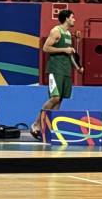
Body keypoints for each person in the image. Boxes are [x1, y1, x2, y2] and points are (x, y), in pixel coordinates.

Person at [30, 10, 83, 140]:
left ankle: (50, 128)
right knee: (55, 98)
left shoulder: (68, 34)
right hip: (55, 69)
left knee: (60, 100)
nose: (74, 20)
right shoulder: (56, 31)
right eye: (72, 17)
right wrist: (64, 49)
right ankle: (36, 124)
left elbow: (69, 53)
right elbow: (46, 48)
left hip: (66, 70)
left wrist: (77, 67)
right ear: (66, 19)